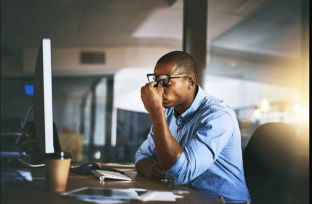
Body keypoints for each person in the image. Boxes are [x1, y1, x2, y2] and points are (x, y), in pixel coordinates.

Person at [134, 51, 251, 204]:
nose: (158, 88)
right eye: (155, 80)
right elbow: (142, 155)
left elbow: (179, 173)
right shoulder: (169, 113)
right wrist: (150, 169)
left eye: (165, 81)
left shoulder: (218, 116)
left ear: (190, 82)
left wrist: (156, 113)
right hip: (187, 199)